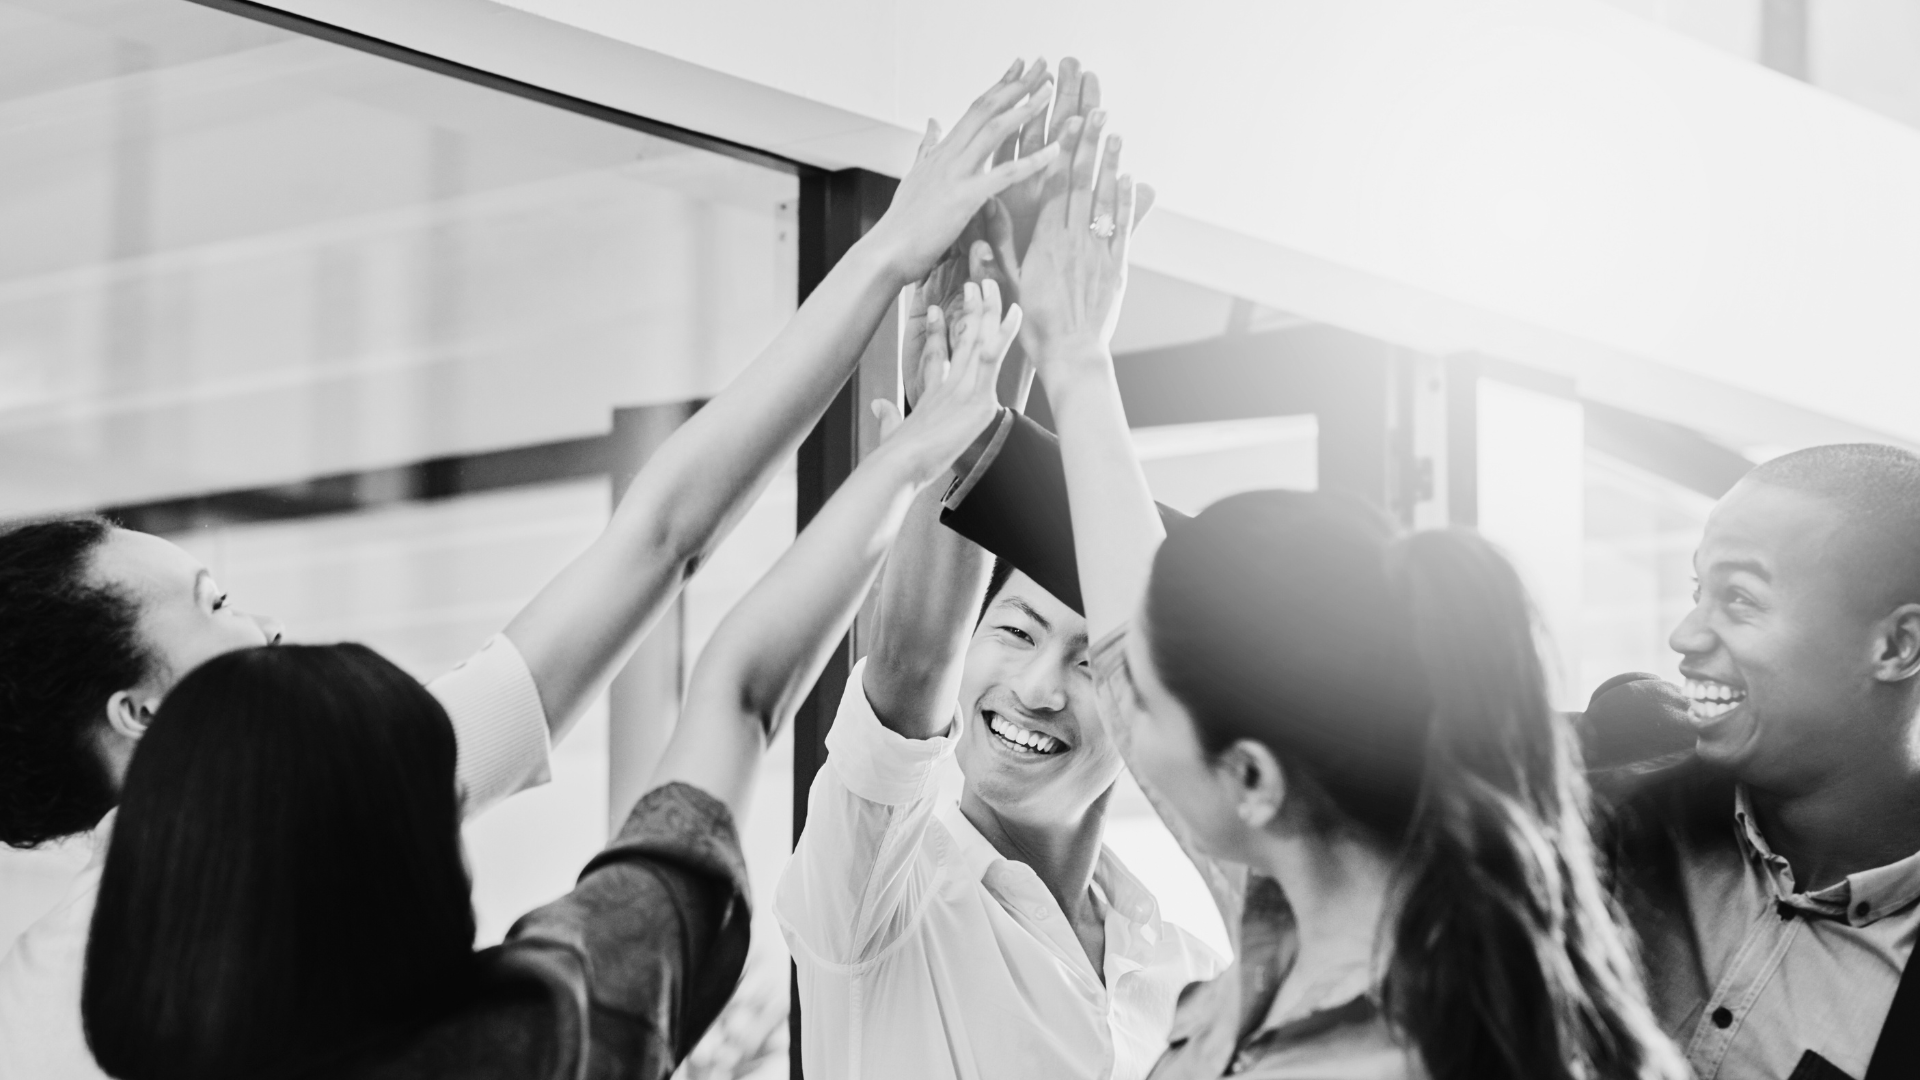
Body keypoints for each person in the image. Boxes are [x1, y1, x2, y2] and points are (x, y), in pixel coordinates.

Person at [0, 57, 1059, 1080]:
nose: (266, 625)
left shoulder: (75, 984)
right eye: (215, 603)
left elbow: (660, 538)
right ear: (138, 711)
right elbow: (728, 675)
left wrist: (883, 266)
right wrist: (906, 447)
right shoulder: (525, 1006)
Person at [960, 117, 1688, 1080]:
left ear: (1254, 778)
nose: (1115, 691)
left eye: (1134, 688)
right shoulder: (1327, 922)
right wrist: (1074, 354)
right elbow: (1149, 619)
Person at [777, 104, 1220, 1080]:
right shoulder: (879, 892)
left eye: (1085, 656)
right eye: (1017, 629)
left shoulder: (1189, 971)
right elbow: (903, 677)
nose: (1035, 686)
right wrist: (999, 346)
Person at [1604, 443, 1920, 1080]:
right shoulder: (1594, 831)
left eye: (1740, 599)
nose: (1686, 636)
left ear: (1895, 646)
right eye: (1700, 590)